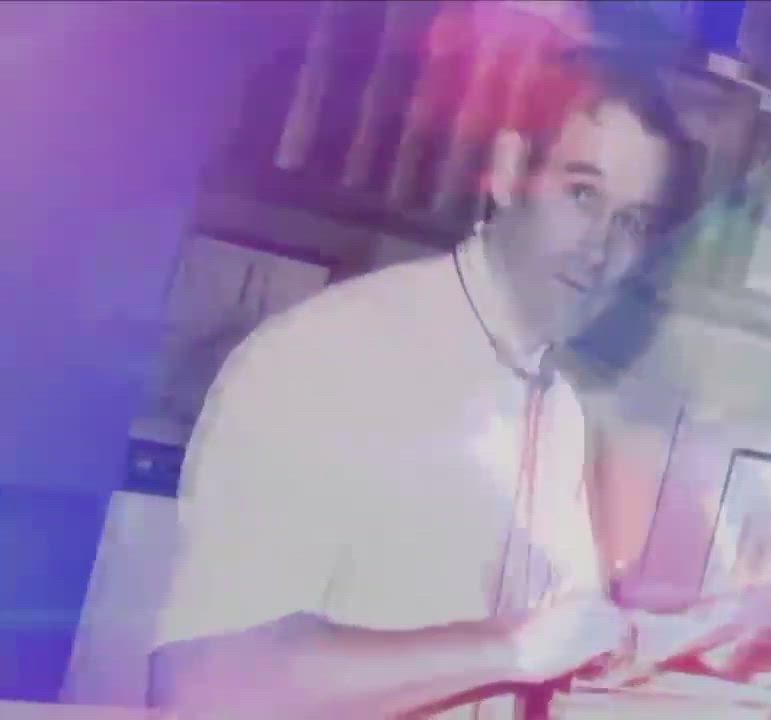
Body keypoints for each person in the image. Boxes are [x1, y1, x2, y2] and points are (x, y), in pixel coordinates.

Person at [148, 47, 703, 719]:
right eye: (582, 194)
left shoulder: (559, 406)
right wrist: (508, 648)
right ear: (508, 172)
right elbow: (203, 686)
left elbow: (550, 648)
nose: (601, 248)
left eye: (632, 222)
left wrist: (667, 649)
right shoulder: (329, 356)